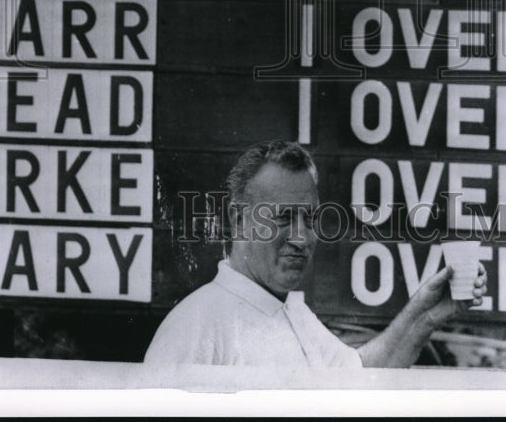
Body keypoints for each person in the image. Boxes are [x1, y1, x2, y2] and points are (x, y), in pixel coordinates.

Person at [144, 140, 486, 370]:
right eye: (282, 217)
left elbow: (361, 378)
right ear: (238, 219)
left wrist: (424, 315)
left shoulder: (293, 313)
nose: (301, 237)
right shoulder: (195, 327)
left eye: (309, 218)